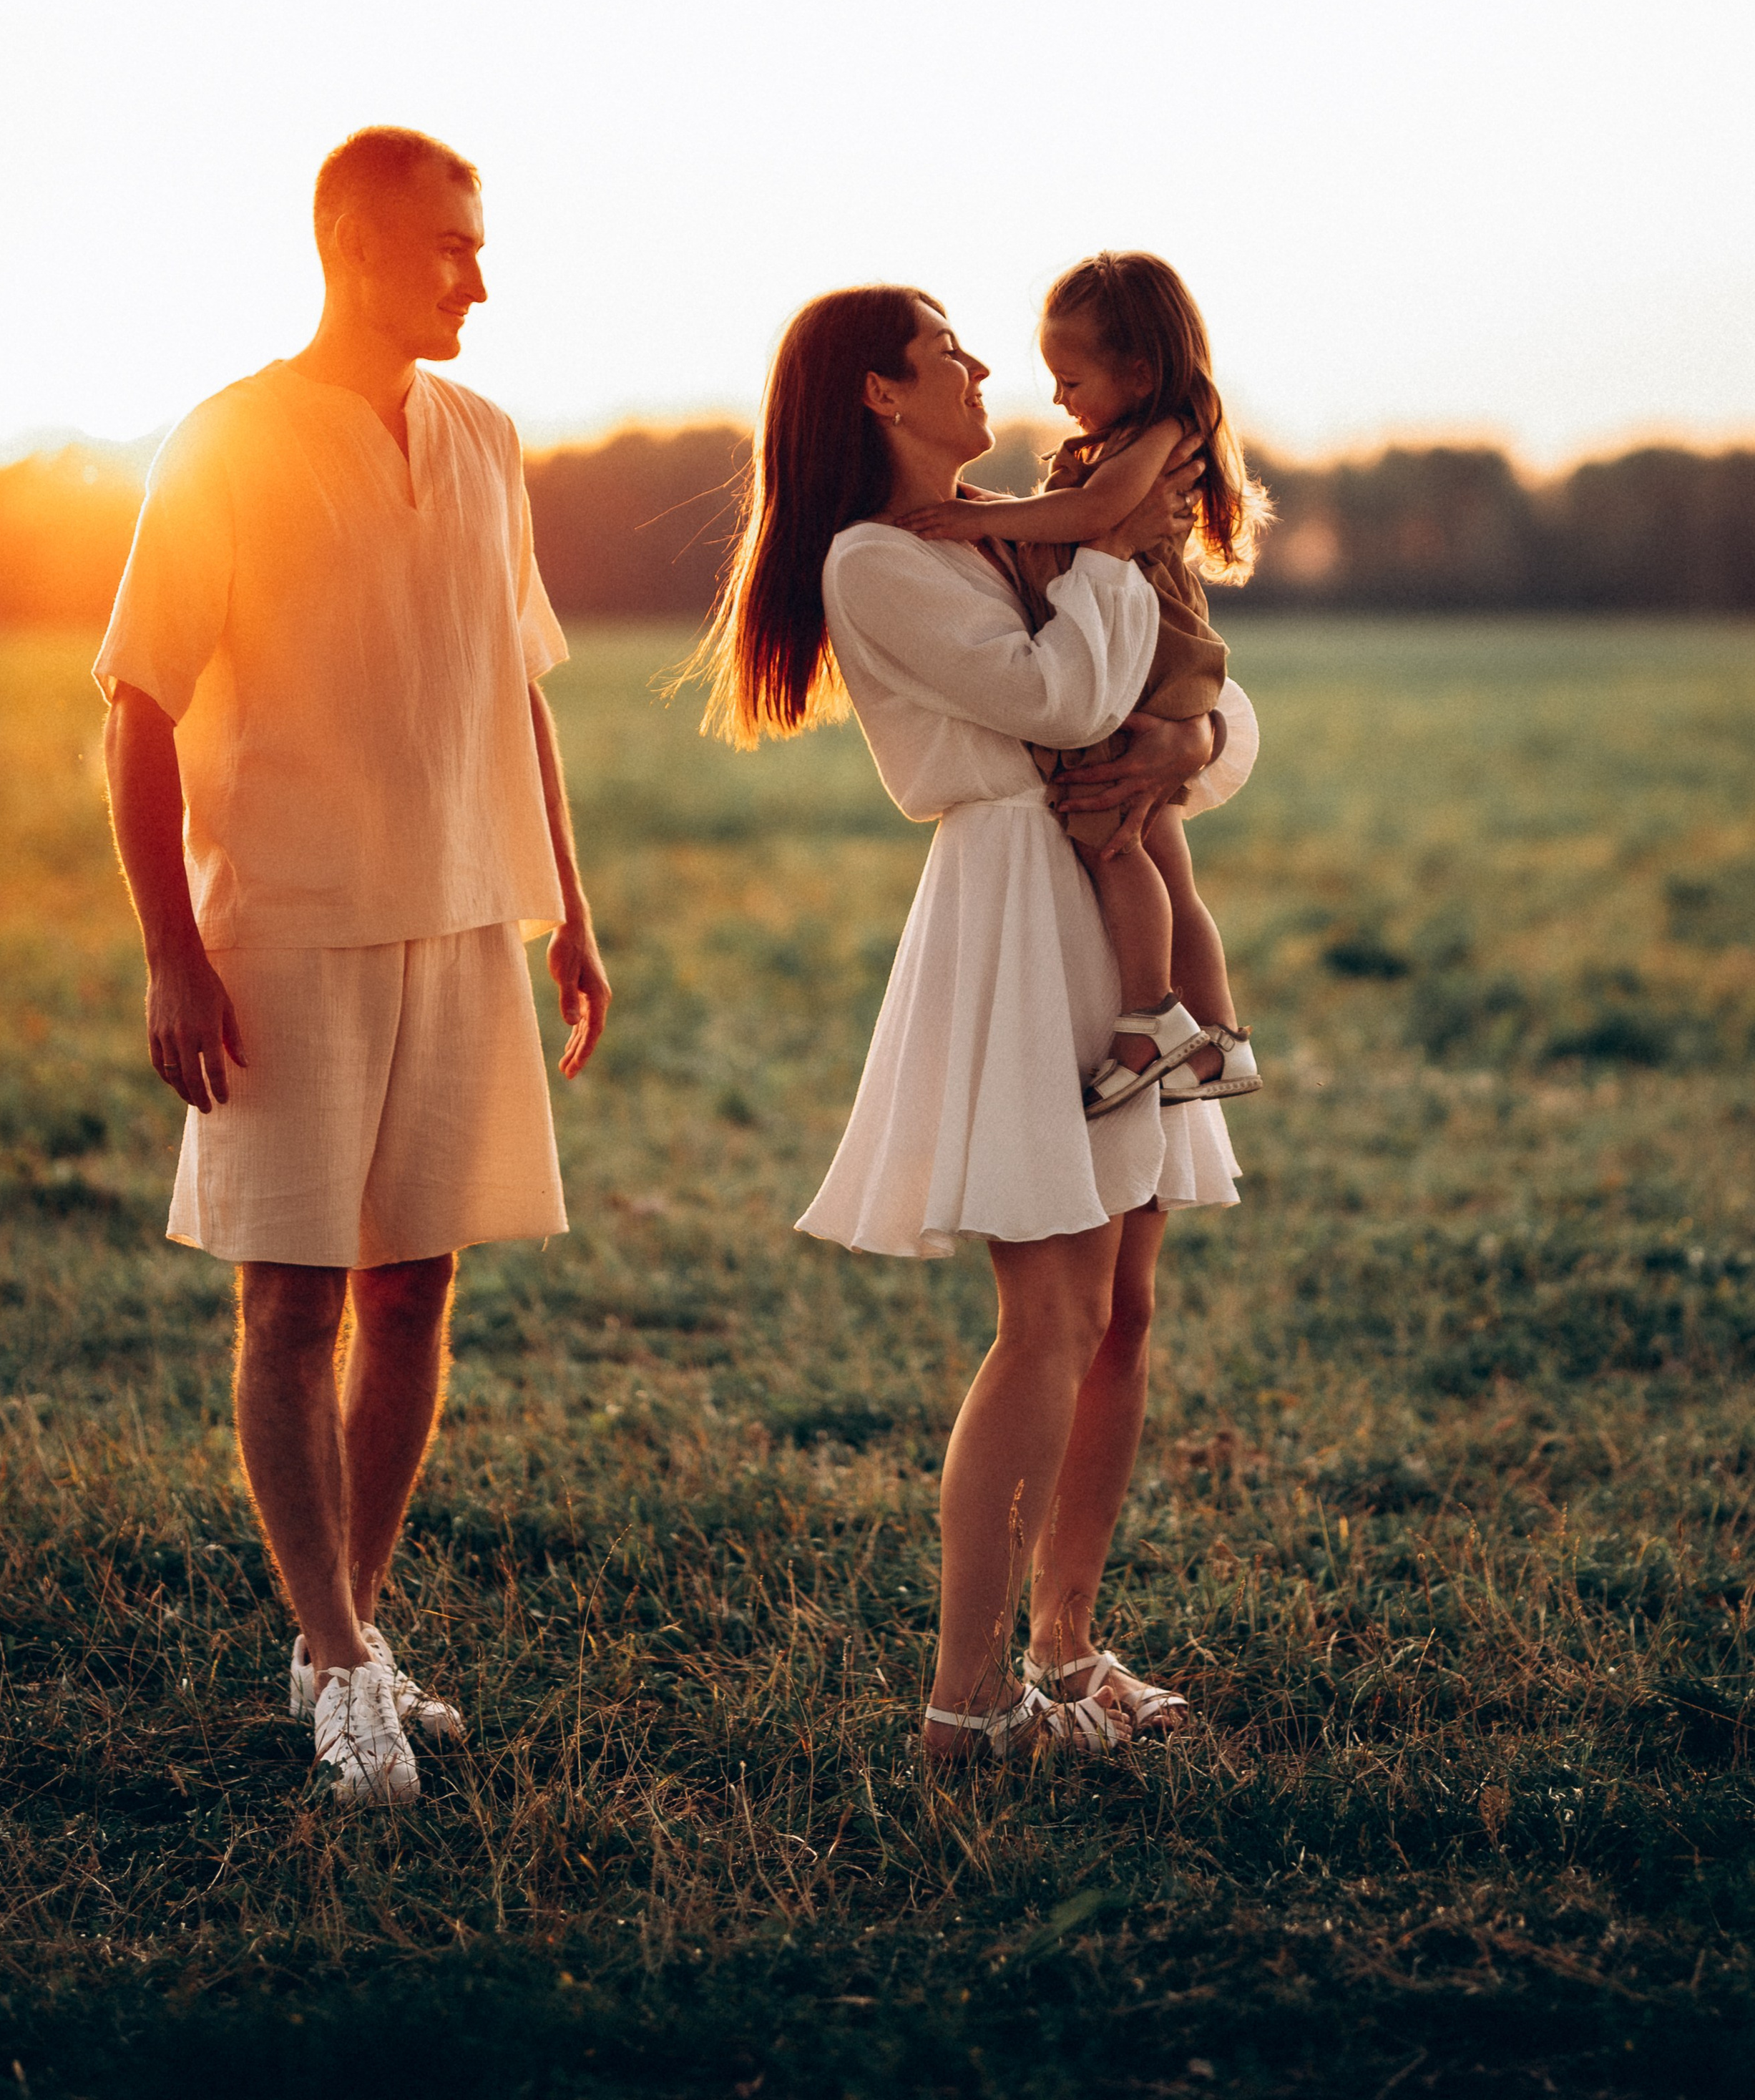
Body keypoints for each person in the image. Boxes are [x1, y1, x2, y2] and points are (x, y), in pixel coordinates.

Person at [97, 126, 610, 1806]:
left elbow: (514, 682)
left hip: (465, 916)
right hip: (284, 929)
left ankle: (349, 1641)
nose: (480, 272)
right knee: (292, 1294)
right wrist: (174, 950)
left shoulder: (486, 434)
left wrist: (571, 912)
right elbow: (138, 704)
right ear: (356, 248)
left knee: (413, 1288)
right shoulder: (231, 437)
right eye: (452, 244)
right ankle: (331, 1656)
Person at [694, 286, 1256, 1759]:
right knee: (1051, 1312)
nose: (983, 368)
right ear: (880, 394)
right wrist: (1119, 552)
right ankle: (965, 1698)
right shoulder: (876, 562)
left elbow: (1204, 706)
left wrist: (1181, 741)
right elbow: (1062, 698)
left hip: (1108, 892)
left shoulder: (1035, 522)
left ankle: (1065, 1647)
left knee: (1122, 1308)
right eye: (947, 352)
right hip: (1020, 917)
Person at [897, 250, 1266, 1116]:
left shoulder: (1162, 432)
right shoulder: (1137, 430)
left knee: (1114, 837)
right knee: (1166, 859)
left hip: (1152, 658)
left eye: (1070, 379)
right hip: (1153, 661)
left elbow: (1099, 518)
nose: (1059, 399)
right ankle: (1217, 1041)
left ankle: (1152, 1021)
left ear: (1138, 372)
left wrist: (973, 515)